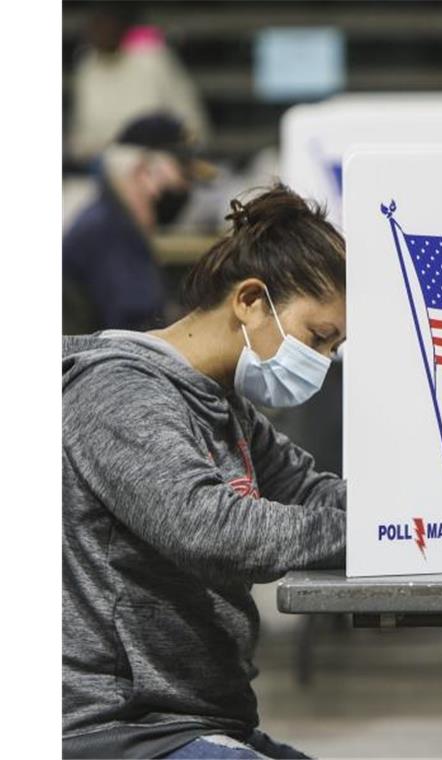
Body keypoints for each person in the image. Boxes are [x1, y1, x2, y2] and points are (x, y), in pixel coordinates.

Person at [63, 184, 347, 759]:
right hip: (121, 728)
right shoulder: (116, 392)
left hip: (201, 718)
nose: (322, 361)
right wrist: (389, 534)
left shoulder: (222, 404)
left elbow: (313, 493)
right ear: (249, 300)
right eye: (318, 337)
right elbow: (213, 529)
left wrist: (431, 518)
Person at [63, 113, 214, 333]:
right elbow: (138, 328)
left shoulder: (113, 222)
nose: (186, 187)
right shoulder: (109, 233)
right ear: (142, 171)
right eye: (182, 172)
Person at [68, 2, 210, 163]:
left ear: (121, 26)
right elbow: (81, 138)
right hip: (104, 166)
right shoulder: (88, 67)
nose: (101, 32)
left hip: (160, 163)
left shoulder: (152, 59)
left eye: (106, 24)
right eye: (96, 25)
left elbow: (192, 124)